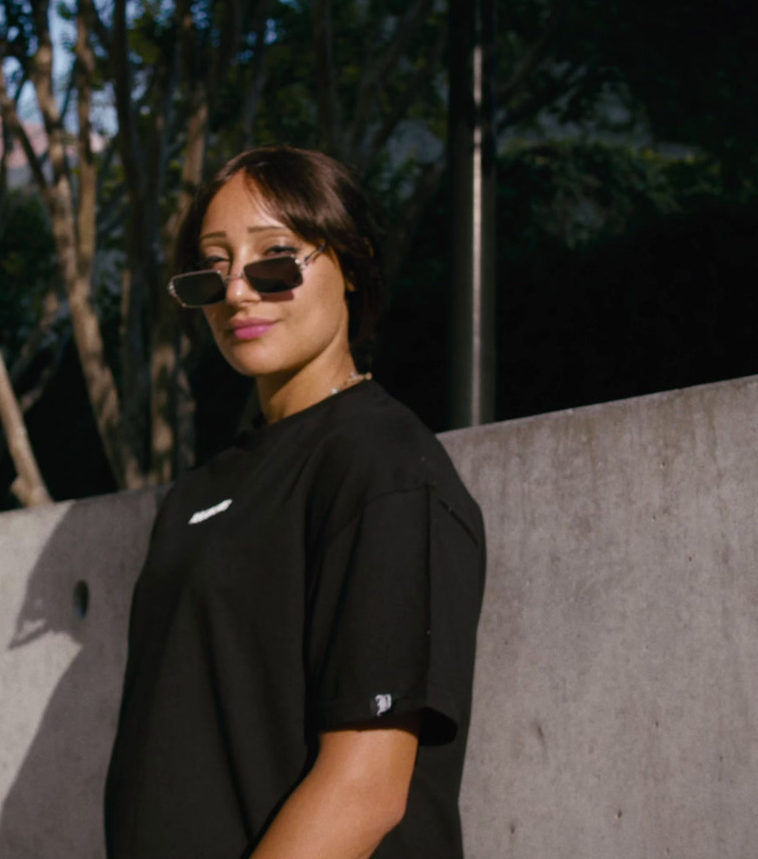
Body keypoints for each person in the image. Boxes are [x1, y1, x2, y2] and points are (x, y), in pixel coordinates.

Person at [103, 146, 486, 859]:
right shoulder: (202, 489)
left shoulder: (384, 466)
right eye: (212, 270)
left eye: (274, 261)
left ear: (351, 265)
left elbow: (365, 787)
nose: (239, 292)